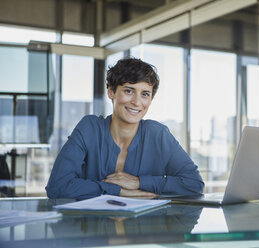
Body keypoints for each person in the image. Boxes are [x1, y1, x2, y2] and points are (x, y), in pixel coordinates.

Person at [46, 58, 204, 200]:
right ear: (111, 92)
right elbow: (57, 187)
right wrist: (115, 190)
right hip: (93, 228)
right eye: (129, 91)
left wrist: (139, 182)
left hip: (143, 230)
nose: (136, 102)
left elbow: (194, 184)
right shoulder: (90, 128)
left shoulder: (158, 135)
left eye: (145, 94)